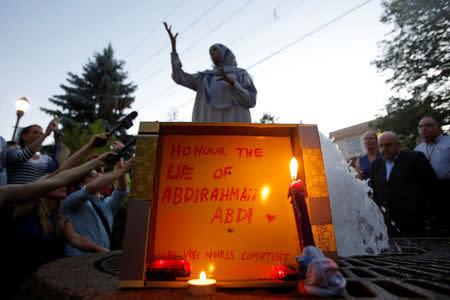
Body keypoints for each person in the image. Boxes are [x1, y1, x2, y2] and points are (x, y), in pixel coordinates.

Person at [0, 152, 115, 299]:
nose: (63, 185)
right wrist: (96, 160)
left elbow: (76, 239)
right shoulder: (25, 211)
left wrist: (107, 252)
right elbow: (58, 176)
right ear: (42, 189)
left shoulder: (60, 219)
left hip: (42, 283)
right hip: (14, 281)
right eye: (57, 183)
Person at [164, 22, 257, 123]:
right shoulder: (204, 77)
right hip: (210, 131)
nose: (212, 54)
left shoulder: (241, 74)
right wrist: (174, 50)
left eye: (215, 50)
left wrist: (233, 83)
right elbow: (179, 77)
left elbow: (250, 101)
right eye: (210, 53)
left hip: (235, 130)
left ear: (225, 52)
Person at [63, 156, 134, 256]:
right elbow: (92, 187)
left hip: (100, 259)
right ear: (82, 185)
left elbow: (122, 189)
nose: (100, 174)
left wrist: (119, 161)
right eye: (93, 174)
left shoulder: (107, 203)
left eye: (99, 172)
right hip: (77, 261)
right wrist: (124, 169)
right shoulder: (73, 201)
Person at [370, 131, 436, 236]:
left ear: (398, 144)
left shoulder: (415, 158)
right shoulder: (376, 164)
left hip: (414, 219)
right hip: (388, 222)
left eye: (388, 145)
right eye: (381, 146)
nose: (384, 149)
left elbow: (430, 186)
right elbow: (375, 190)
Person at [414, 116, 450, 231]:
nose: (424, 129)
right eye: (421, 126)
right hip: (429, 195)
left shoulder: (448, 143)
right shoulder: (418, 149)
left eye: (428, 125)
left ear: (438, 127)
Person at [5, 119, 60, 184]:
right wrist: (45, 135)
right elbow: (23, 156)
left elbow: (59, 171)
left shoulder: (46, 159)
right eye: (35, 132)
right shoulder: (12, 151)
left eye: (41, 133)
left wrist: (59, 142)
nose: (40, 135)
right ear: (24, 136)